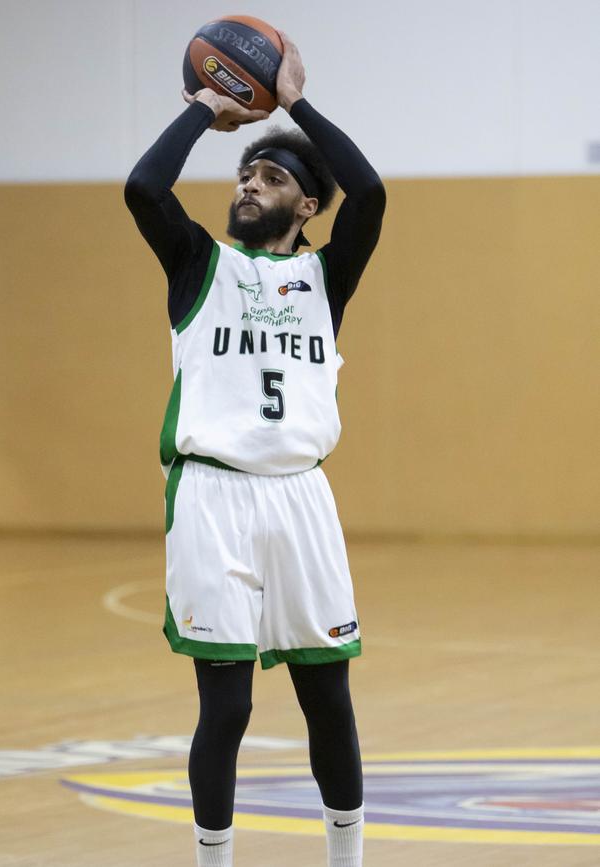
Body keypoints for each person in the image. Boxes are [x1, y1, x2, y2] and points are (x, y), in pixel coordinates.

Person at [124, 30, 385, 867]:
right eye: (246, 173)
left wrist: (294, 99)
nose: (249, 184)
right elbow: (142, 186)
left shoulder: (324, 280)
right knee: (226, 707)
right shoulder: (199, 262)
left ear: (307, 206)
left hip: (301, 496)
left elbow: (371, 192)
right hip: (214, 495)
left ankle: (346, 858)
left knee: (329, 699)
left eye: (271, 177)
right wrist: (208, 106)